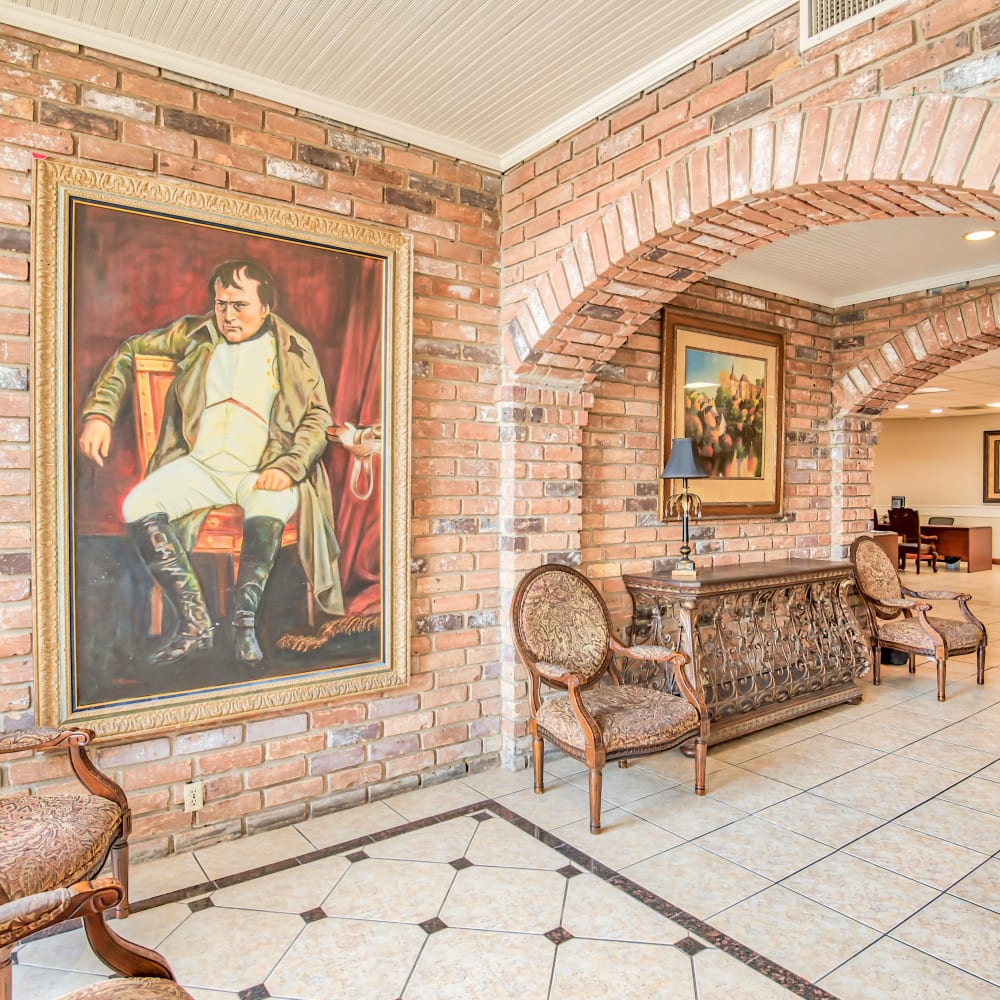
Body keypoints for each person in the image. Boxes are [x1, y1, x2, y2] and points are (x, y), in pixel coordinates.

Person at [79, 259, 344, 665]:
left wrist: (288, 466)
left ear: (266, 307)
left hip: (263, 470)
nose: (227, 315)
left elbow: (316, 418)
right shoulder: (197, 333)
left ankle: (243, 623)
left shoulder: (293, 348)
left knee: (272, 504)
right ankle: (196, 622)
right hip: (201, 466)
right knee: (137, 503)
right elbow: (131, 351)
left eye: (240, 305)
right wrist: (100, 413)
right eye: (221, 304)